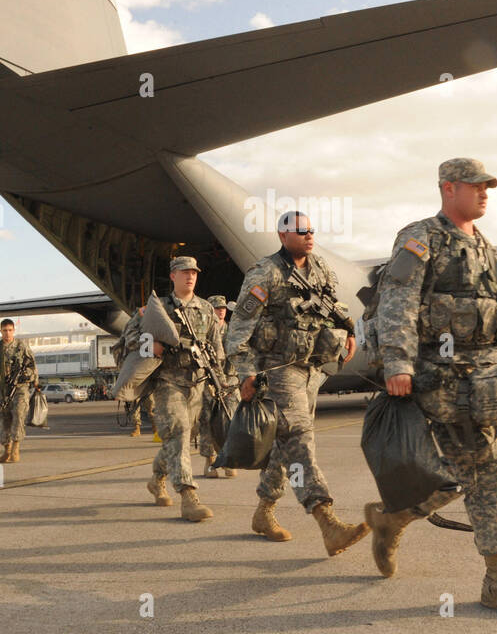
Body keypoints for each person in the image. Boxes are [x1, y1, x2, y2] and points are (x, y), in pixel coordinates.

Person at [365, 158, 497, 617]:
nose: (485, 193)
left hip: (484, 374)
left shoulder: (484, 245)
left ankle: (391, 518)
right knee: (487, 472)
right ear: (448, 187)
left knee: (459, 476)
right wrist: (397, 363)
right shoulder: (421, 237)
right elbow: (398, 300)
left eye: (488, 187)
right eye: (476, 186)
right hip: (442, 376)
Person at [225, 211, 369, 555]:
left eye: (311, 230)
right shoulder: (265, 273)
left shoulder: (319, 267)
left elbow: (334, 304)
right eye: (300, 231)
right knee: (301, 439)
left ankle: (264, 512)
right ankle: (327, 520)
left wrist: (349, 330)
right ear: (282, 235)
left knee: (284, 444)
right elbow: (238, 330)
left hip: (311, 368)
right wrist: (245, 373)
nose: (309, 235)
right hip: (278, 369)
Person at [120, 257, 221, 522]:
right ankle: (188, 497)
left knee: (180, 441)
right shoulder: (156, 309)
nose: (190, 277)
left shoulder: (207, 309)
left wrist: (221, 384)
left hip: (197, 385)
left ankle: (156, 480)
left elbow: (216, 349)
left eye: (194, 273)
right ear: (172, 276)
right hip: (168, 383)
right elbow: (129, 338)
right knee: (178, 432)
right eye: (184, 272)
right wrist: (150, 345)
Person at [0, 319, 38, 463]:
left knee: (18, 415)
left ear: (14, 331)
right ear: (0, 331)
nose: (7, 333)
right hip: (3, 389)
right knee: (5, 418)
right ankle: (7, 450)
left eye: (10, 330)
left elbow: (33, 365)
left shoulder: (21, 346)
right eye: (5, 330)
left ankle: (16, 449)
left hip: (20, 388)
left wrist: (34, 381)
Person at [198, 295, 236, 479]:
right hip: (208, 380)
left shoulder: (232, 330)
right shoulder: (204, 331)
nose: (221, 310)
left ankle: (228, 459)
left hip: (229, 380)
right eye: (217, 308)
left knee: (229, 420)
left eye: (223, 308)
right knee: (207, 419)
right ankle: (210, 460)